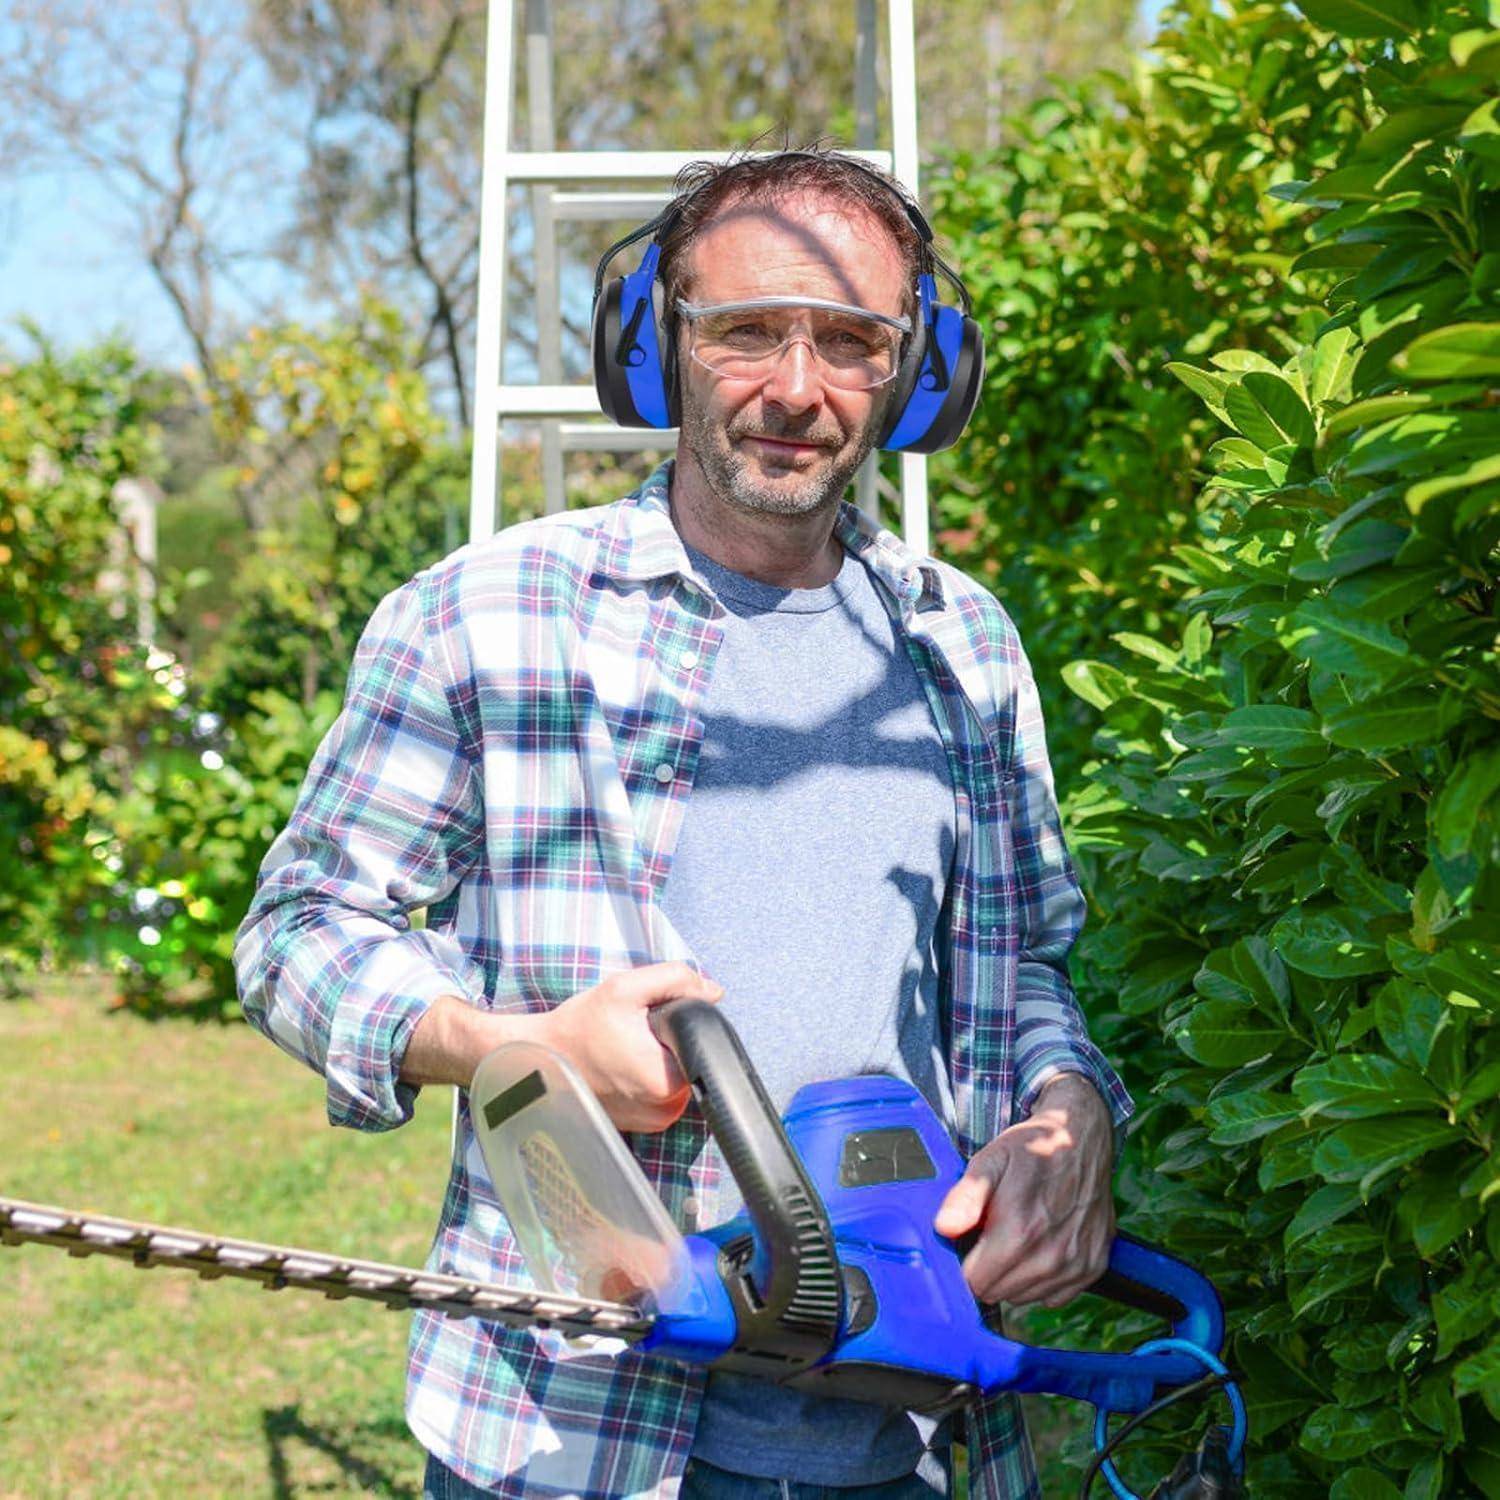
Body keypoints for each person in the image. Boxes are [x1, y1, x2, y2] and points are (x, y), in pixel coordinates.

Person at [235, 145, 1133, 1500]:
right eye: (743, 331)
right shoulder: (490, 614)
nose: (794, 386)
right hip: (571, 1432)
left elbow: (1028, 981)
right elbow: (299, 933)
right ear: (658, 345)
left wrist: (1071, 1118)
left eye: (849, 340)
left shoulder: (970, 648)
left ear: (916, 370)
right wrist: (510, 1048)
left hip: (918, 1428)